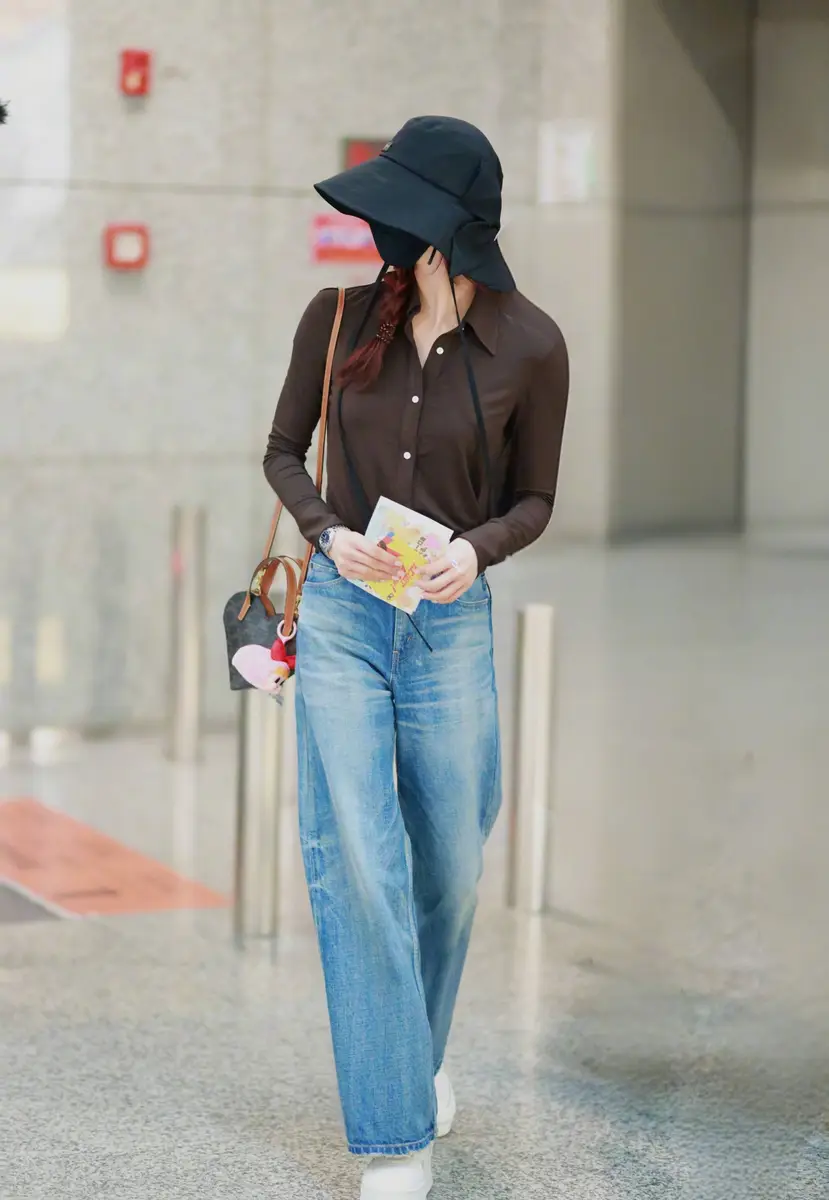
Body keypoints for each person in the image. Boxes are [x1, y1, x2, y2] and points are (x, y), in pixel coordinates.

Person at [264, 115, 569, 1200]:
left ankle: (415, 1059)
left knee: (448, 869)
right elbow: (281, 450)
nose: (379, 225)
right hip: (343, 617)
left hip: (448, 623)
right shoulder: (337, 315)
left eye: (402, 207)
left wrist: (472, 550)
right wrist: (323, 531)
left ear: (453, 227)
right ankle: (395, 1134)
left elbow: (535, 498)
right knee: (358, 857)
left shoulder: (531, 345)